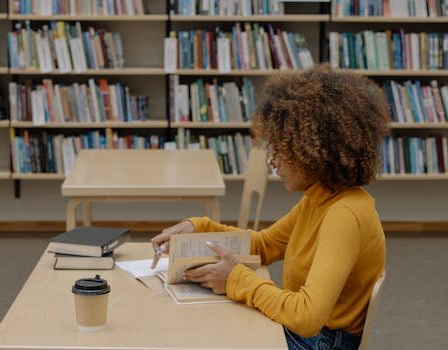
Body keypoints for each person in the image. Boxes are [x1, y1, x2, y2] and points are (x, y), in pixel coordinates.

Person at [150, 65, 389, 350]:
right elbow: (264, 245)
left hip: (319, 342)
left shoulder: (344, 214)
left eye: (282, 150)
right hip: (311, 335)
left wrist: (237, 279)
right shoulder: (320, 199)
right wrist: (199, 227)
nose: (273, 162)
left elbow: (307, 317)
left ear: (315, 151)